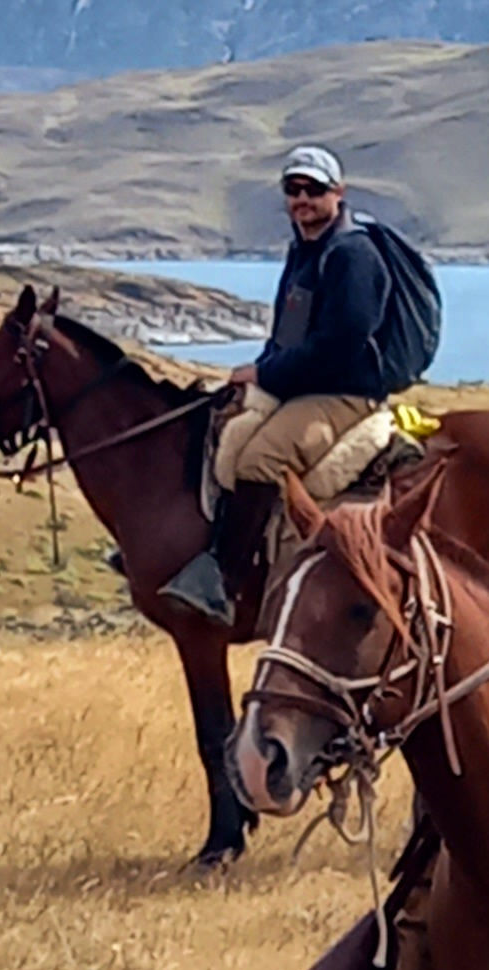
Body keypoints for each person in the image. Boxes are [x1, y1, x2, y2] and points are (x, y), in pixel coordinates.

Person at [163, 144, 403, 623]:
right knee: (219, 426)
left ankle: (225, 583)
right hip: (301, 385)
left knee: (258, 458)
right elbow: (288, 335)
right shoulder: (306, 250)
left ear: (338, 192)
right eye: (293, 190)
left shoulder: (352, 255)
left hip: (343, 393)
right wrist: (259, 373)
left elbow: (341, 345)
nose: (302, 199)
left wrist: (265, 374)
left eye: (313, 189)